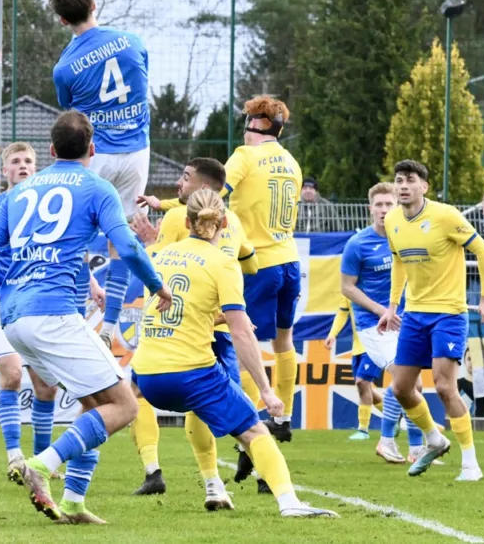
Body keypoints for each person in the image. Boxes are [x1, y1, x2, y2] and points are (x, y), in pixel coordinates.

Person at [0, 111, 172, 525]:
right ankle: (41, 464)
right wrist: (157, 285)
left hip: (13, 317)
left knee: (94, 404)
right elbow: (128, 247)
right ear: (93, 150)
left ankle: (75, 501)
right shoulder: (97, 187)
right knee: (125, 405)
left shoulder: (18, 194)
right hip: (53, 314)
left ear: (50, 150)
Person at [132, 189, 336, 518]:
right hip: (191, 372)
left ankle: (208, 483)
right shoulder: (223, 262)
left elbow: (165, 311)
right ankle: (289, 502)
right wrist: (267, 391)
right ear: (224, 222)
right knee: (254, 429)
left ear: (186, 221)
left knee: (112, 411)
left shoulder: (159, 256)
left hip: (148, 375)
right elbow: (241, 332)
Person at [139, 95, 302, 452]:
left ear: (253, 125)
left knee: (238, 338)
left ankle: (248, 424)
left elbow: (209, 196)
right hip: (290, 259)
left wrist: (161, 204)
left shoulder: (246, 156)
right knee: (284, 341)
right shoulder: (291, 162)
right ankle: (284, 417)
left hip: (257, 257)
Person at [126, 157, 257, 502]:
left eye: (184, 178)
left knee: (134, 396)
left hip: (183, 328)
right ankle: (245, 465)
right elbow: (252, 262)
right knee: (219, 402)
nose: (178, 185)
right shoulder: (235, 221)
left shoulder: (175, 218)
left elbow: (158, 279)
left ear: (201, 188)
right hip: (224, 324)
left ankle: (156, 470)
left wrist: (153, 243)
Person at [378, 160, 484, 481]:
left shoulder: (445, 216)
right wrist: (391, 307)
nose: (403, 185)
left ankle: (471, 464)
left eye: (410, 180)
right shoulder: (392, 220)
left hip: (449, 313)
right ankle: (434, 438)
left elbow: (482, 251)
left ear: (424, 187)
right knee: (401, 388)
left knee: (444, 386)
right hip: (414, 314)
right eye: (399, 180)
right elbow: (399, 263)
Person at [51, 0, 151, 348]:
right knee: (119, 239)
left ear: (62, 20)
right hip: (137, 151)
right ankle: (110, 325)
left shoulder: (65, 67)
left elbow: (70, 112)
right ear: (95, 5)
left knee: (74, 239)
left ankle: (76, 320)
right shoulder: (133, 41)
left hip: (100, 155)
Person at [0, 143, 62, 481]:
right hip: (0, 304)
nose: (23, 166)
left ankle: (42, 464)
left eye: (29, 161)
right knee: (12, 374)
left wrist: (91, 283)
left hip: (37, 303)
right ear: (4, 170)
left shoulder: (46, 210)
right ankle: (14, 456)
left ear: (37, 167)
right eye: (16, 162)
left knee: (47, 386)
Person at [341, 182, 437, 465]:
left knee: (414, 386)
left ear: (398, 206)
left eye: (389, 204)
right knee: (408, 382)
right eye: (379, 204)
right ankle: (386, 441)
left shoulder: (406, 238)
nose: (384, 210)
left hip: (407, 322)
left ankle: (415, 449)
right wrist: (382, 310)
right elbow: (347, 287)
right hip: (374, 325)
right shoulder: (358, 244)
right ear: (370, 208)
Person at [324, 297, 384, 440]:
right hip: (358, 346)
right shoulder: (349, 289)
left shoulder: (377, 286)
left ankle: (363, 430)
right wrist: (332, 335)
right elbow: (342, 312)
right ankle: (392, 416)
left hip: (375, 343)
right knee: (365, 386)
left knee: (362, 382)